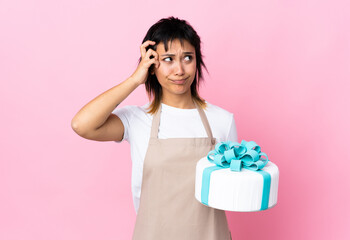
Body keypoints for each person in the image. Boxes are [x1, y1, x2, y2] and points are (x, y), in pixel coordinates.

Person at [71, 16, 236, 240]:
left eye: (188, 57)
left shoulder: (222, 120)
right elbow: (82, 125)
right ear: (151, 63)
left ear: (197, 62)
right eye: (168, 59)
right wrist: (134, 79)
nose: (179, 70)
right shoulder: (137, 119)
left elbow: (232, 190)